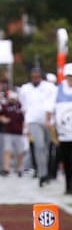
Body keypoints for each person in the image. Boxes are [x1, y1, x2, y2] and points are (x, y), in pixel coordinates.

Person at [18, 67, 57, 186]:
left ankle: (46, 171)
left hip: (47, 120)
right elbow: (24, 105)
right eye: (33, 77)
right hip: (33, 120)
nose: (35, 79)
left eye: (37, 77)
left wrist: (49, 119)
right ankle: (42, 174)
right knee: (39, 146)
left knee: (46, 148)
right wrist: (26, 122)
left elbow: (51, 104)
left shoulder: (49, 87)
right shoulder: (25, 89)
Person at [54, 63, 72, 195]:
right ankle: (68, 186)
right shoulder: (58, 90)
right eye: (69, 76)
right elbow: (51, 111)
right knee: (66, 161)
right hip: (63, 133)